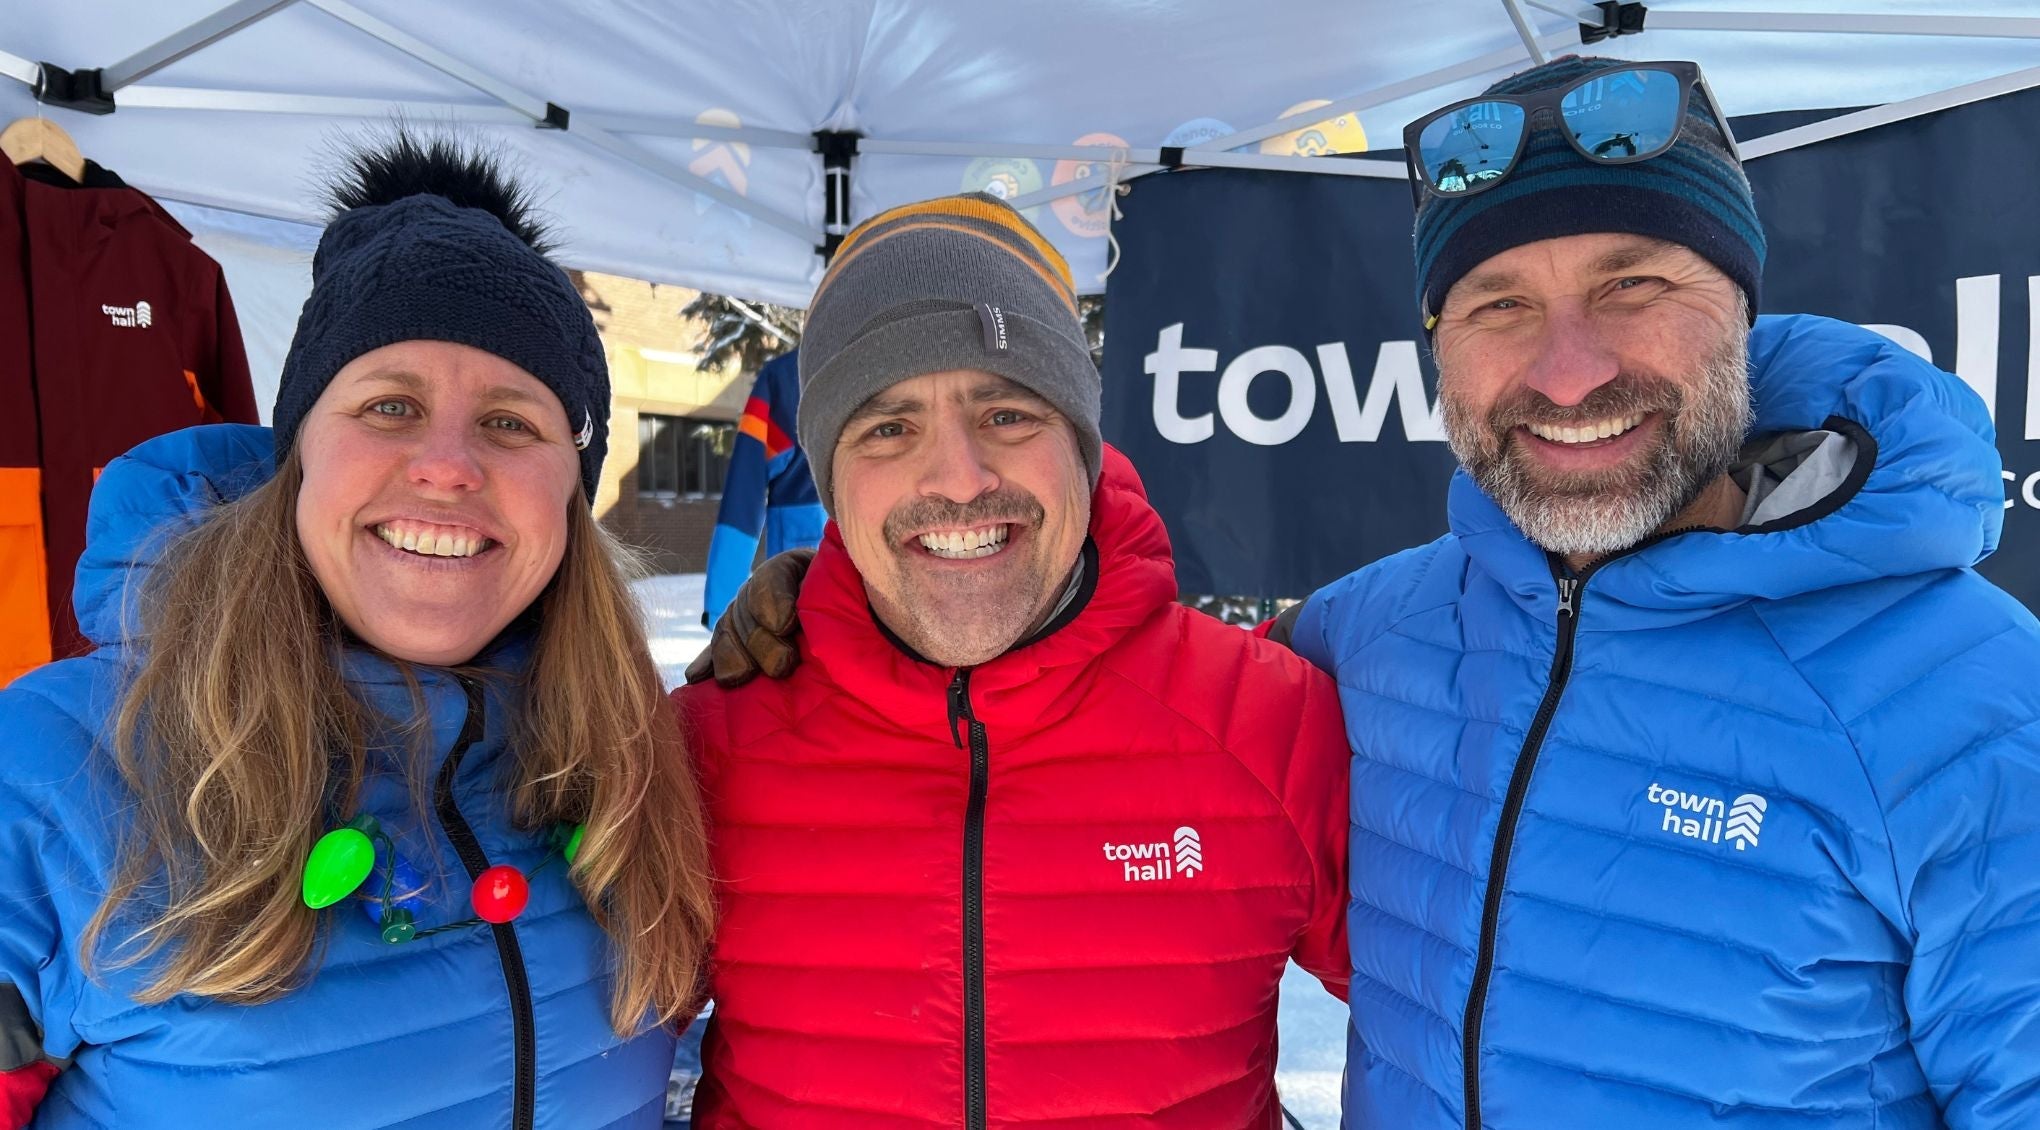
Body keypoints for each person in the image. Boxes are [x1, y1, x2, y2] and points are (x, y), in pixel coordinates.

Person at [1285, 55, 2040, 1127]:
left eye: (1631, 285)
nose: (1569, 371)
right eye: (1499, 302)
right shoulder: (1359, 637)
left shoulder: (1979, 701)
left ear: (1738, 312)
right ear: (1439, 351)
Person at [0, 133, 714, 1128]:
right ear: (298, 458)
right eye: (389, 405)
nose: (447, 464)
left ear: (571, 492)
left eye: (511, 421)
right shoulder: (65, 766)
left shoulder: (635, 760)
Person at [675, 193, 1350, 1127]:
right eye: (887, 427)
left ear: (1082, 444)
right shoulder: (709, 747)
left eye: (1007, 413)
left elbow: (1484, 1025)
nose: (959, 479)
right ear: (832, 478)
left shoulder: (1270, 721)